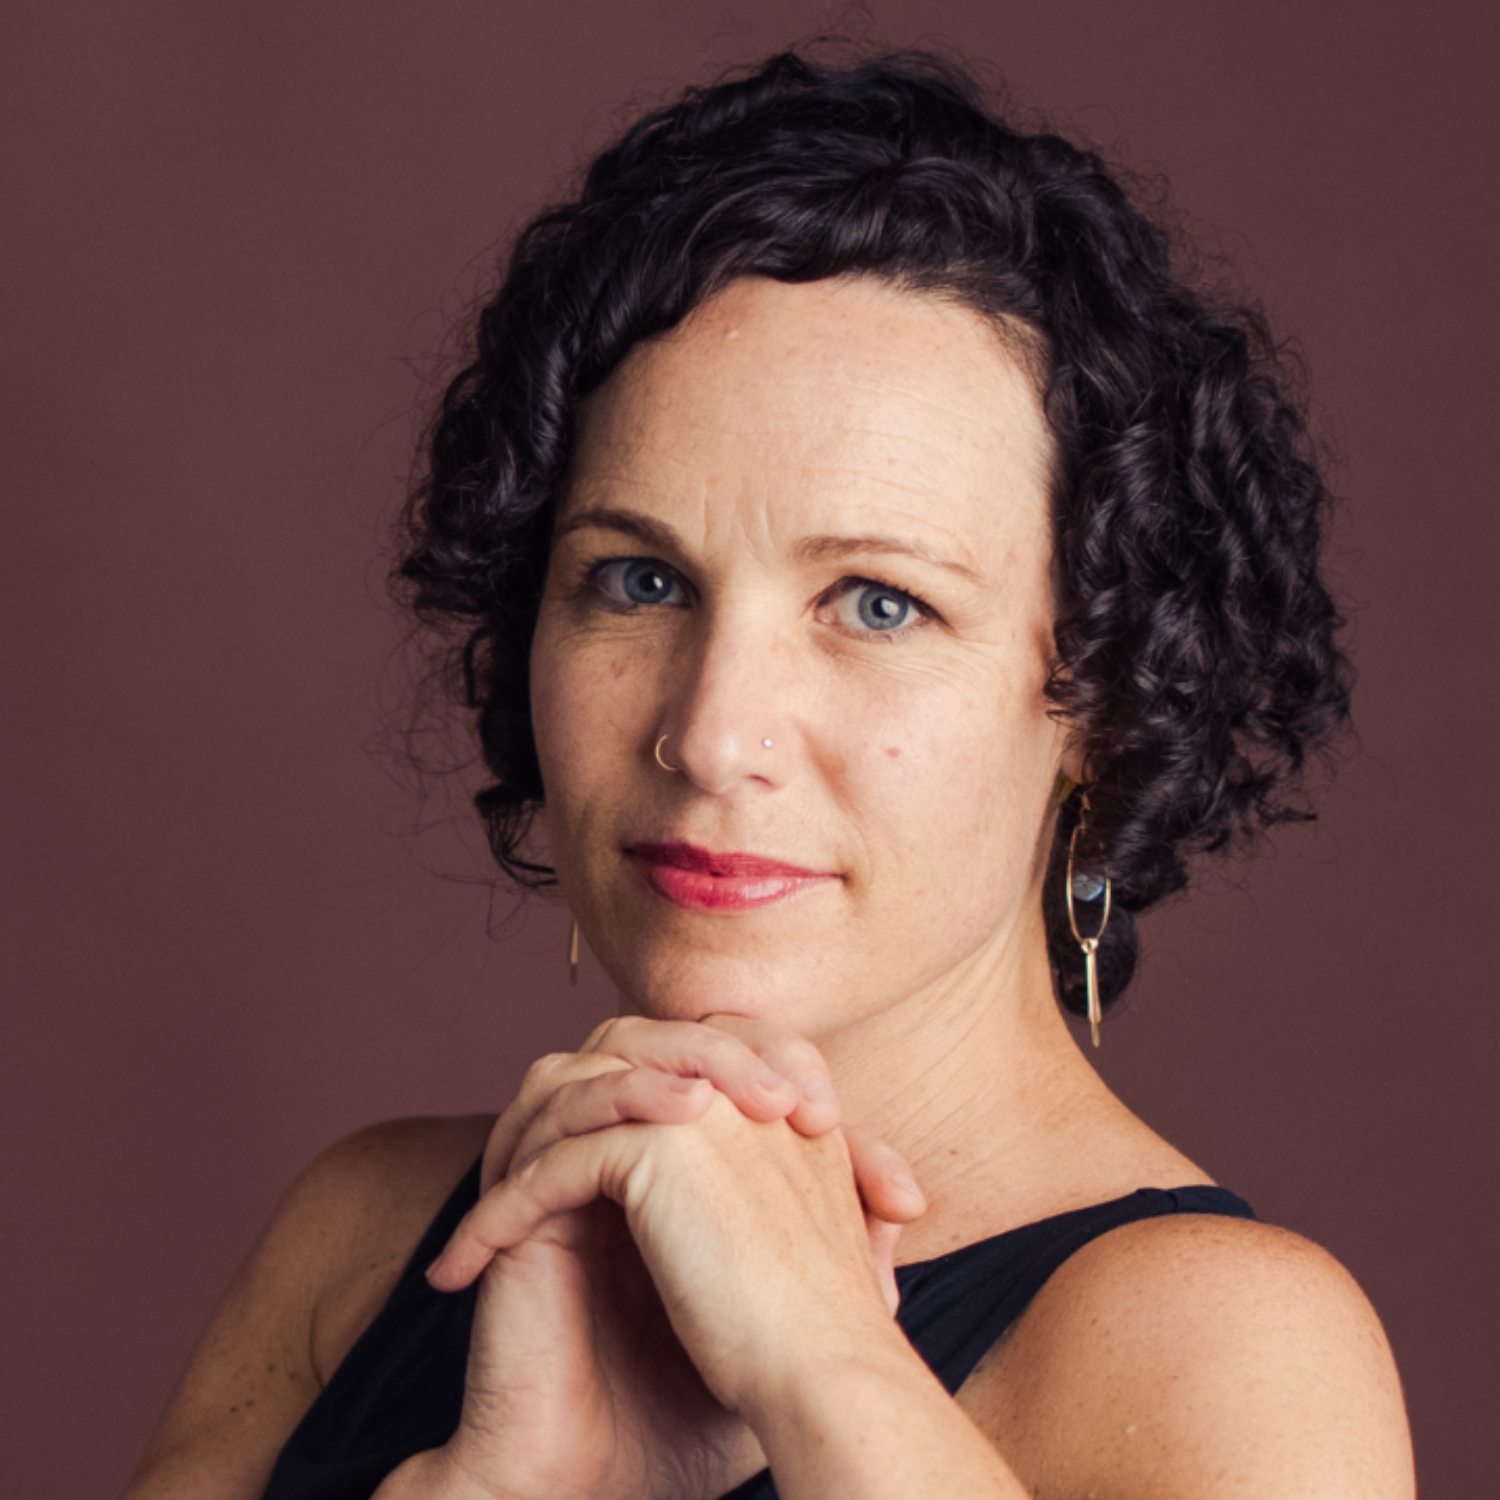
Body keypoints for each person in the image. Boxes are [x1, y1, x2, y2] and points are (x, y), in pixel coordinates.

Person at [124, 49, 1415, 1500]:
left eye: (878, 602)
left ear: (1104, 698)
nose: (711, 732)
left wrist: (833, 1379)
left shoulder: (1224, 1349)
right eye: (637, 579)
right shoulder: (361, 1238)